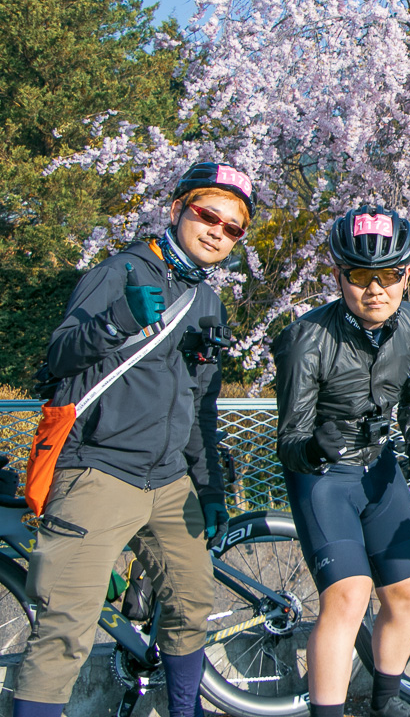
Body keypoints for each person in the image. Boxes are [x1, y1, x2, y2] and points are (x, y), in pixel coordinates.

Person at [13, 162, 255, 717]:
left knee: (192, 604)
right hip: (97, 469)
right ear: (177, 210)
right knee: (65, 626)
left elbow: (201, 406)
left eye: (233, 228)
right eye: (207, 214)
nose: (218, 231)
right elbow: (57, 356)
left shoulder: (208, 301)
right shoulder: (120, 271)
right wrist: (116, 320)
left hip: (169, 479)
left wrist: (210, 487)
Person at [272, 205, 410, 717]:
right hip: (323, 476)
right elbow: (290, 440)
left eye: (390, 275)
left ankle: (385, 702)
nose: (376, 289)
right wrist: (315, 448)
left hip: (380, 467)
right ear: (339, 275)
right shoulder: (306, 339)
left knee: (408, 592)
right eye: (361, 276)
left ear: (406, 274)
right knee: (348, 595)